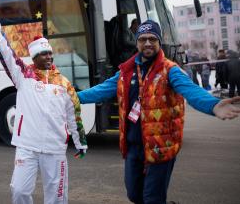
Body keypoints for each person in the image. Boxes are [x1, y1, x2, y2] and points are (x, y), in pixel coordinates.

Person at [77, 20, 240, 204]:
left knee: (152, 199)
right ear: (137, 42)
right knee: (134, 195)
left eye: (152, 39)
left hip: (161, 146)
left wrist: (213, 105)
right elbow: (101, 90)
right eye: (143, 39)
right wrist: (74, 97)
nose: (147, 43)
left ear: (159, 42)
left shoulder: (170, 70)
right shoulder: (127, 71)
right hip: (133, 147)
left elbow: (190, 90)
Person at [0, 11, 88, 204]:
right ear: (34, 57)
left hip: (55, 148)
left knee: (57, 198)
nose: (48, 56)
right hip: (27, 146)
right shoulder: (23, 76)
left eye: (49, 52)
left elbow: (74, 115)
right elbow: (6, 53)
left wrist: (80, 141)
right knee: (19, 191)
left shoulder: (64, 84)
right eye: (43, 53)